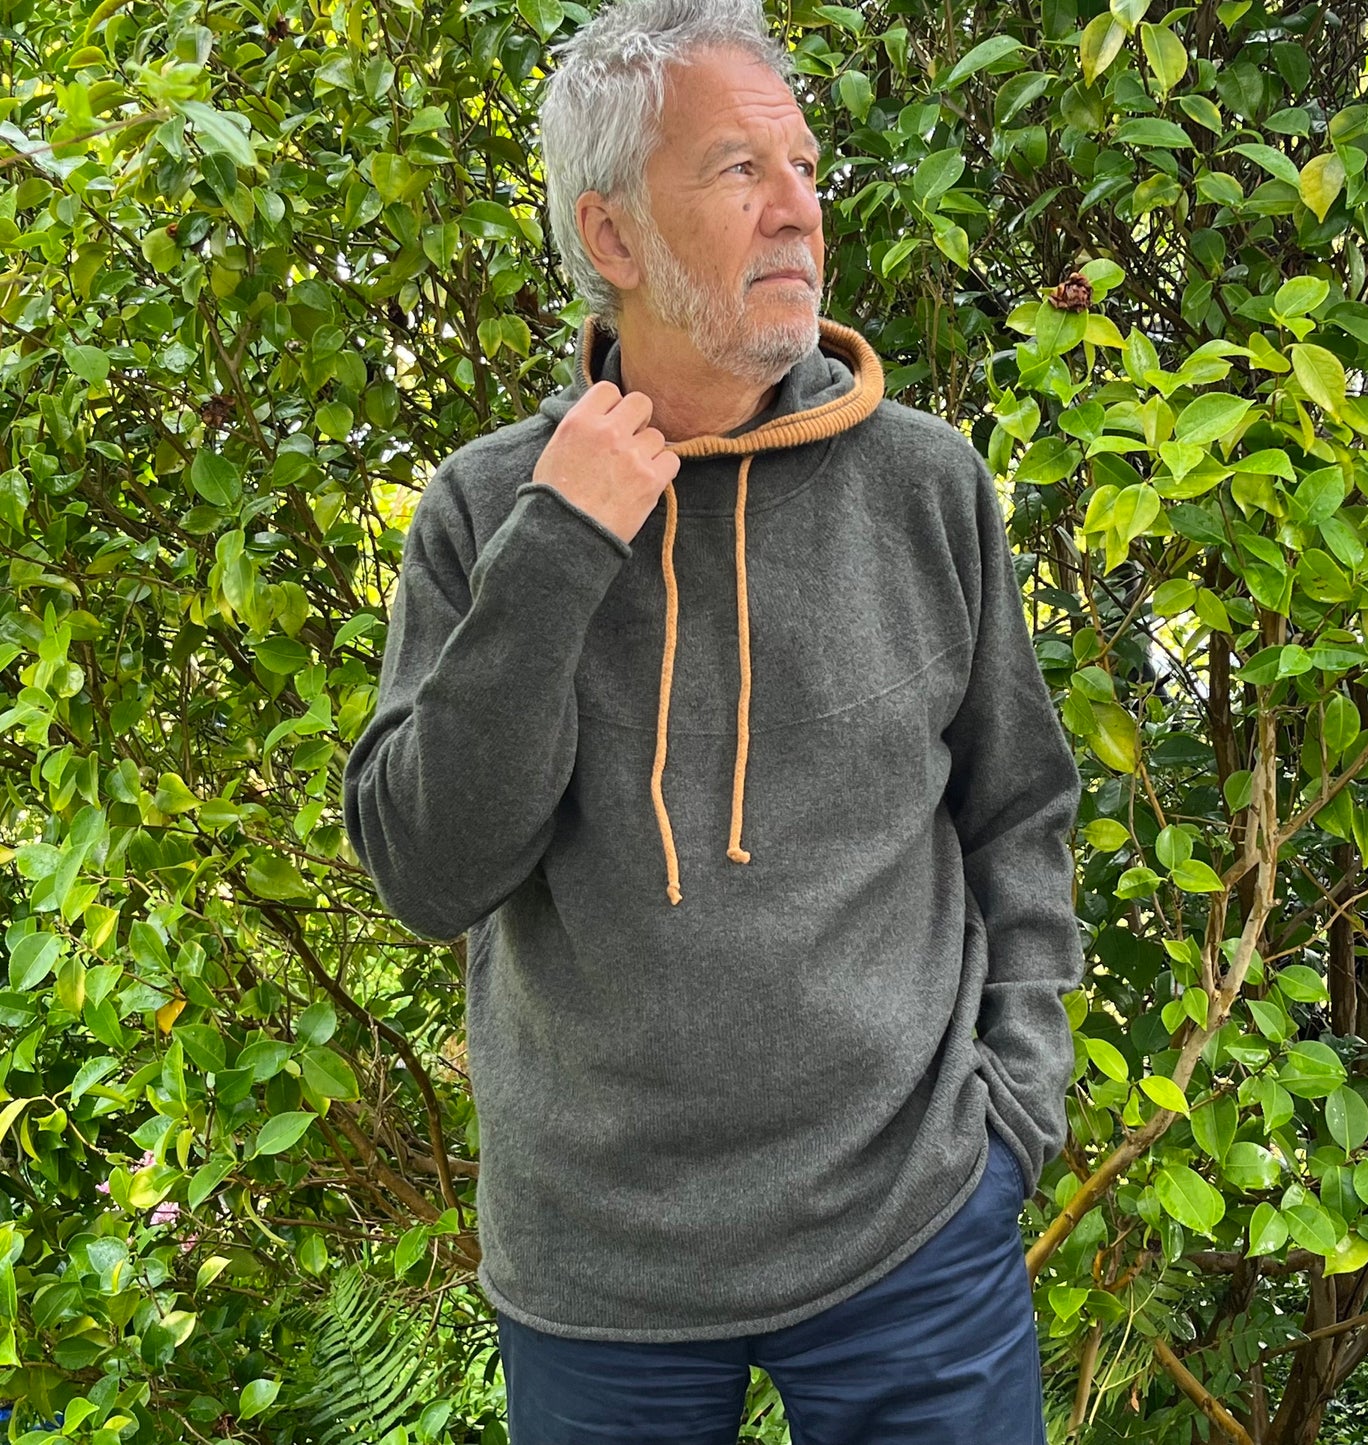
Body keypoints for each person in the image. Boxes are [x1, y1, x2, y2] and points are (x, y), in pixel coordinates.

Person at [341, 0, 1085, 1439]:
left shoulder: (924, 484)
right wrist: (561, 544)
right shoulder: (490, 511)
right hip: (600, 1272)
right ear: (612, 236)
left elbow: (1018, 810)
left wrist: (1014, 1114)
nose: (799, 209)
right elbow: (429, 873)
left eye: (803, 167)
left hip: (913, 1232)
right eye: (741, 170)